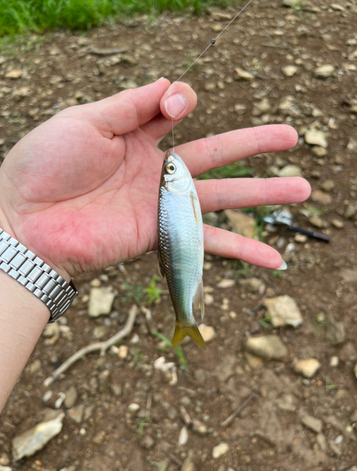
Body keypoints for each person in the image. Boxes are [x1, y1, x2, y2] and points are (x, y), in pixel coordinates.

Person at [0, 78, 311, 411]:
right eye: (171, 168)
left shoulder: (175, 187)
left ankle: (186, 319)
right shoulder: (176, 184)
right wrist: (15, 228)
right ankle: (185, 321)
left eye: (170, 167)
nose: (172, 165)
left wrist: (16, 232)